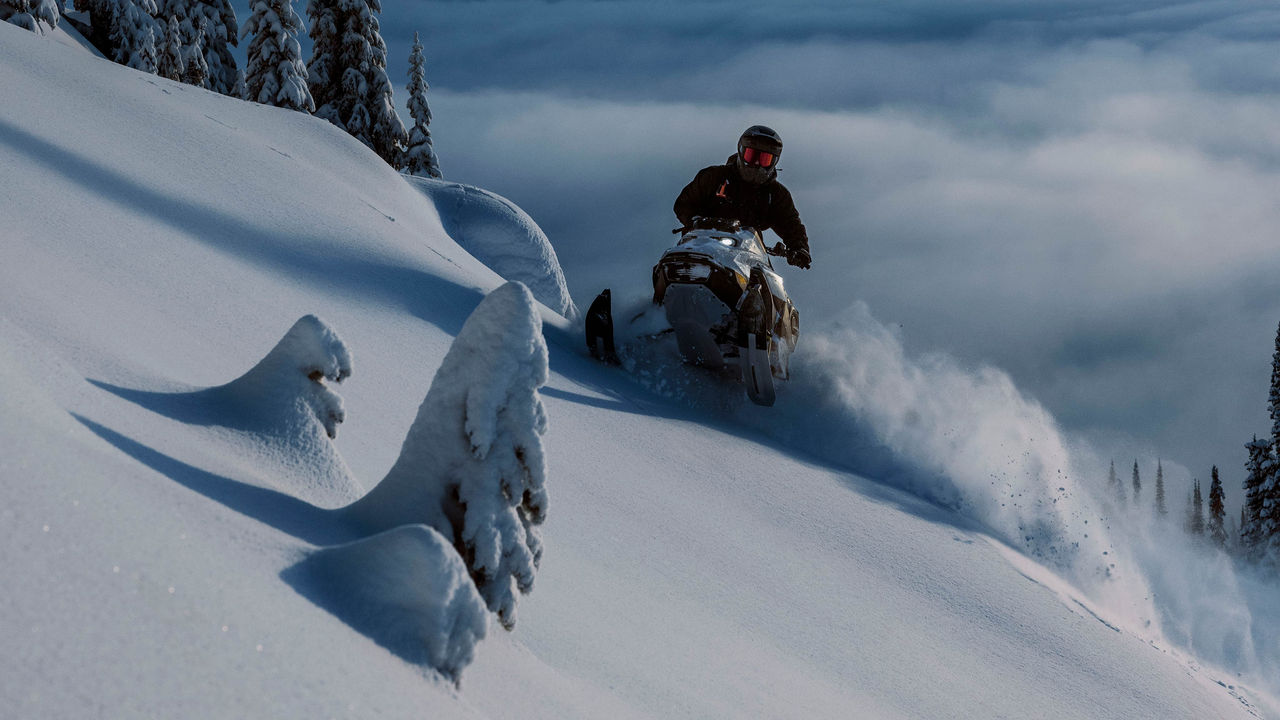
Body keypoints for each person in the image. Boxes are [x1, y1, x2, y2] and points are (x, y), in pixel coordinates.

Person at [673, 125, 811, 269]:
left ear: (774, 162)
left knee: (768, 278)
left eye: (764, 159)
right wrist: (695, 221)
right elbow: (685, 203)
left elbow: (790, 223)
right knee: (673, 265)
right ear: (741, 151)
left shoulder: (775, 194)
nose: (756, 164)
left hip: (749, 252)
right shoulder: (714, 177)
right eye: (752, 156)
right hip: (703, 244)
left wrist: (799, 248)